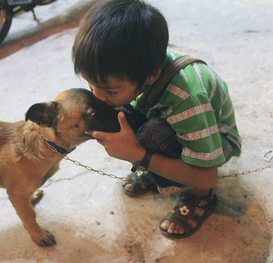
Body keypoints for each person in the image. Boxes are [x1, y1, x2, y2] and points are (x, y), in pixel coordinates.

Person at [72, 0, 241, 238]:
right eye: (91, 85)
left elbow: (208, 175)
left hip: (214, 142)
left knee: (153, 135)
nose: (98, 96)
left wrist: (140, 156)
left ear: (151, 76)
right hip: (174, 120)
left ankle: (199, 199)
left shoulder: (187, 99)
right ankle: (161, 170)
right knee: (122, 118)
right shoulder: (138, 67)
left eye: (109, 91)